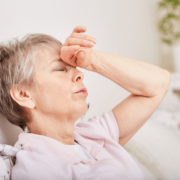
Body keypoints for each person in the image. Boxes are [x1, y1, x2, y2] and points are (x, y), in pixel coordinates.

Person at [0, 26, 170, 180]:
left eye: (75, 67)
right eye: (60, 69)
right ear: (24, 94)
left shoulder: (93, 133)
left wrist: (91, 60)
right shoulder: (37, 169)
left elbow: (159, 83)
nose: (80, 74)